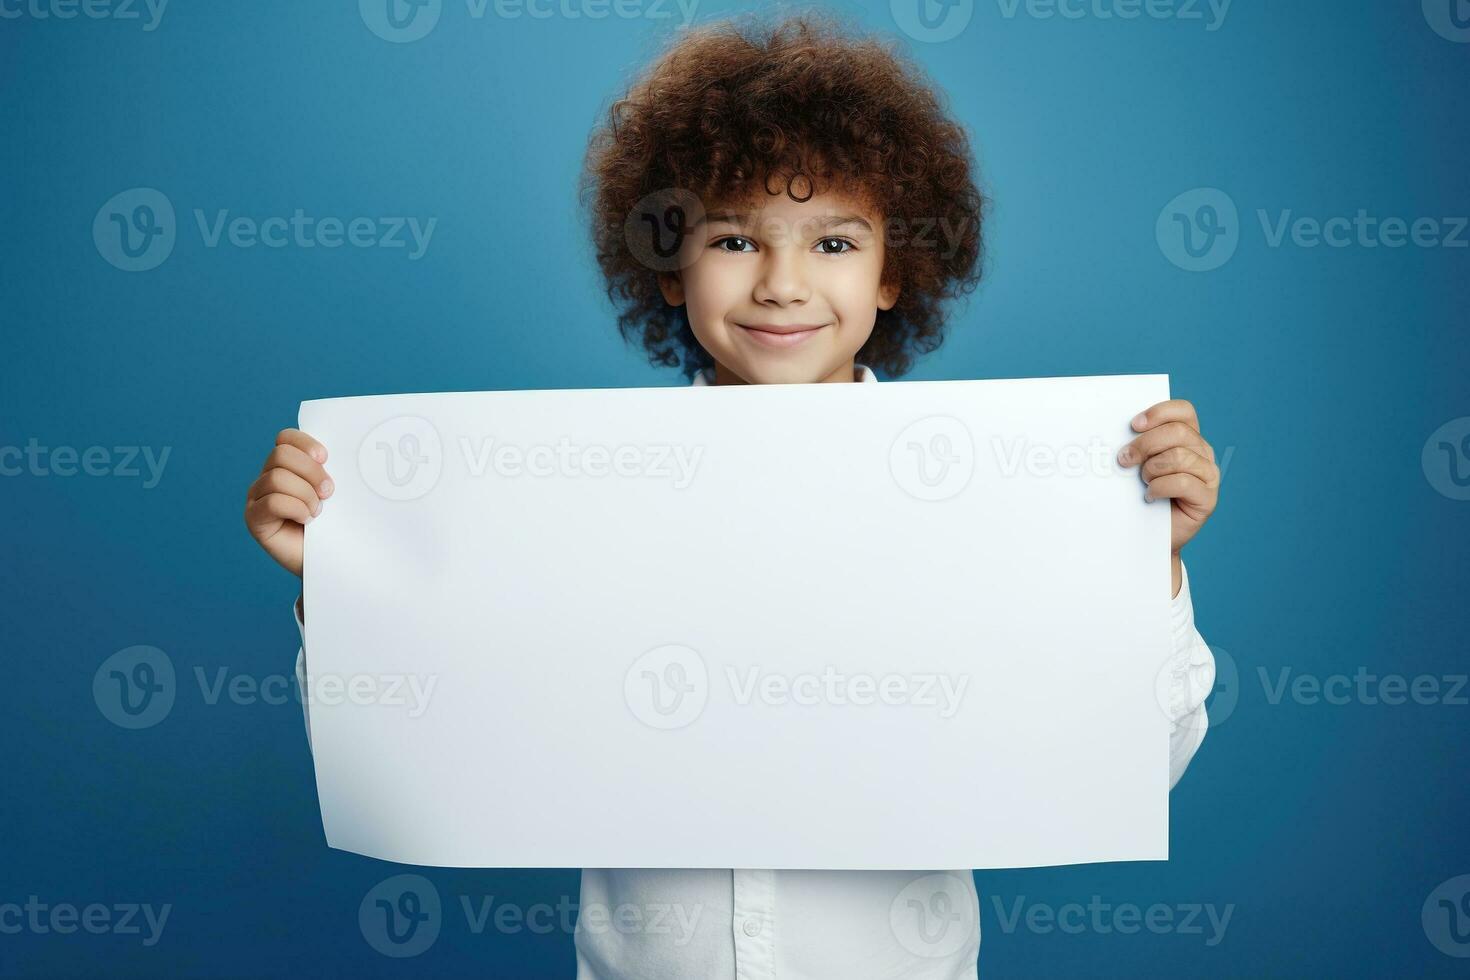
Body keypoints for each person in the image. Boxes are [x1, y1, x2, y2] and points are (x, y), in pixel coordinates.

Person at [243, 13, 1220, 979]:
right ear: (670, 264)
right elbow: (431, 727)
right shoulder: (574, 501)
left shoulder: (988, 496)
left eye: (834, 244)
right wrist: (337, 581)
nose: (784, 284)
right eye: (736, 241)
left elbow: (1138, 758)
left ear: (895, 273)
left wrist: (1151, 562)